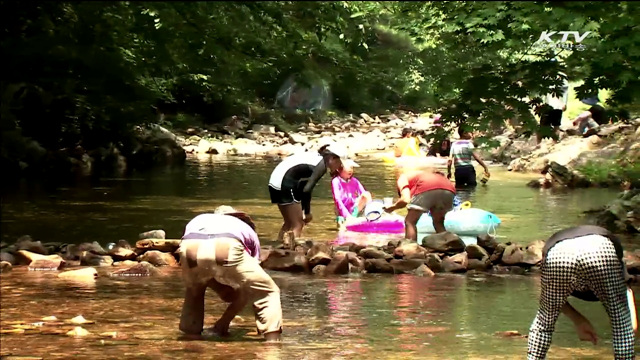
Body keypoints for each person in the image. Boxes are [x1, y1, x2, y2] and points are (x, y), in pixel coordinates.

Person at [527, 225, 637, 359]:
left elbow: (551, 300)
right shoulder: (615, 267)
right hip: (599, 248)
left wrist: (577, 319)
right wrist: (627, 325)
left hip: (558, 252)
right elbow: (626, 291)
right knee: (620, 322)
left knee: (544, 322)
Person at [178, 205, 282, 342]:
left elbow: (204, 262)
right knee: (267, 291)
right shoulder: (244, 227)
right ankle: (272, 343)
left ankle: (191, 338)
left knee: (195, 288)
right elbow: (250, 289)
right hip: (226, 245)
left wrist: (219, 289)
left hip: (190, 247)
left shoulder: (200, 219)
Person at [268, 144, 345, 242]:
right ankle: (292, 252)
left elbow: (302, 185)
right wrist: (307, 212)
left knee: (289, 222)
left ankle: (278, 246)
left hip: (274, 183)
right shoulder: (321, 165)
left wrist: (303, 209)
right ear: (332, 158)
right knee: (298, 223)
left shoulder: (315, 157)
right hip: (284, 183)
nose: (340, 167)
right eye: (340, 163)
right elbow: (307, 189)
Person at [383, 167, 456, 241]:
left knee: (410, 221)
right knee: (438, 222)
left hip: (427, 186)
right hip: (449, 189)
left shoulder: (402, 177)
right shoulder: (423, 175)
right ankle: (447, 244)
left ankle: (410, 246)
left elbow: (405, 200)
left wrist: (391, 208)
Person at [331, 159, 372, 225]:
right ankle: (346, 218)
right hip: (341, 208)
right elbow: (337, 199)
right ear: (339, 169)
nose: (351, 170)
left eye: (352, 168)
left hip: (354, 208)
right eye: (348, 168)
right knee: (342, 226)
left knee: (367, 194)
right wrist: (346, 215)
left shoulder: (354, 181)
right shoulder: (336, 181)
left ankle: (356, 216)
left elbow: (363, 193)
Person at [536, 70, 570, 144]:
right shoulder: (545, 77)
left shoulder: (562, 77)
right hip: (547, 105)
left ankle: (554, 143)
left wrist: (564, 103)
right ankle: (538, 143)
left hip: (558, 105)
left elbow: (565, 92)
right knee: (543, 126)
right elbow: (541, 91)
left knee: (556, 125)